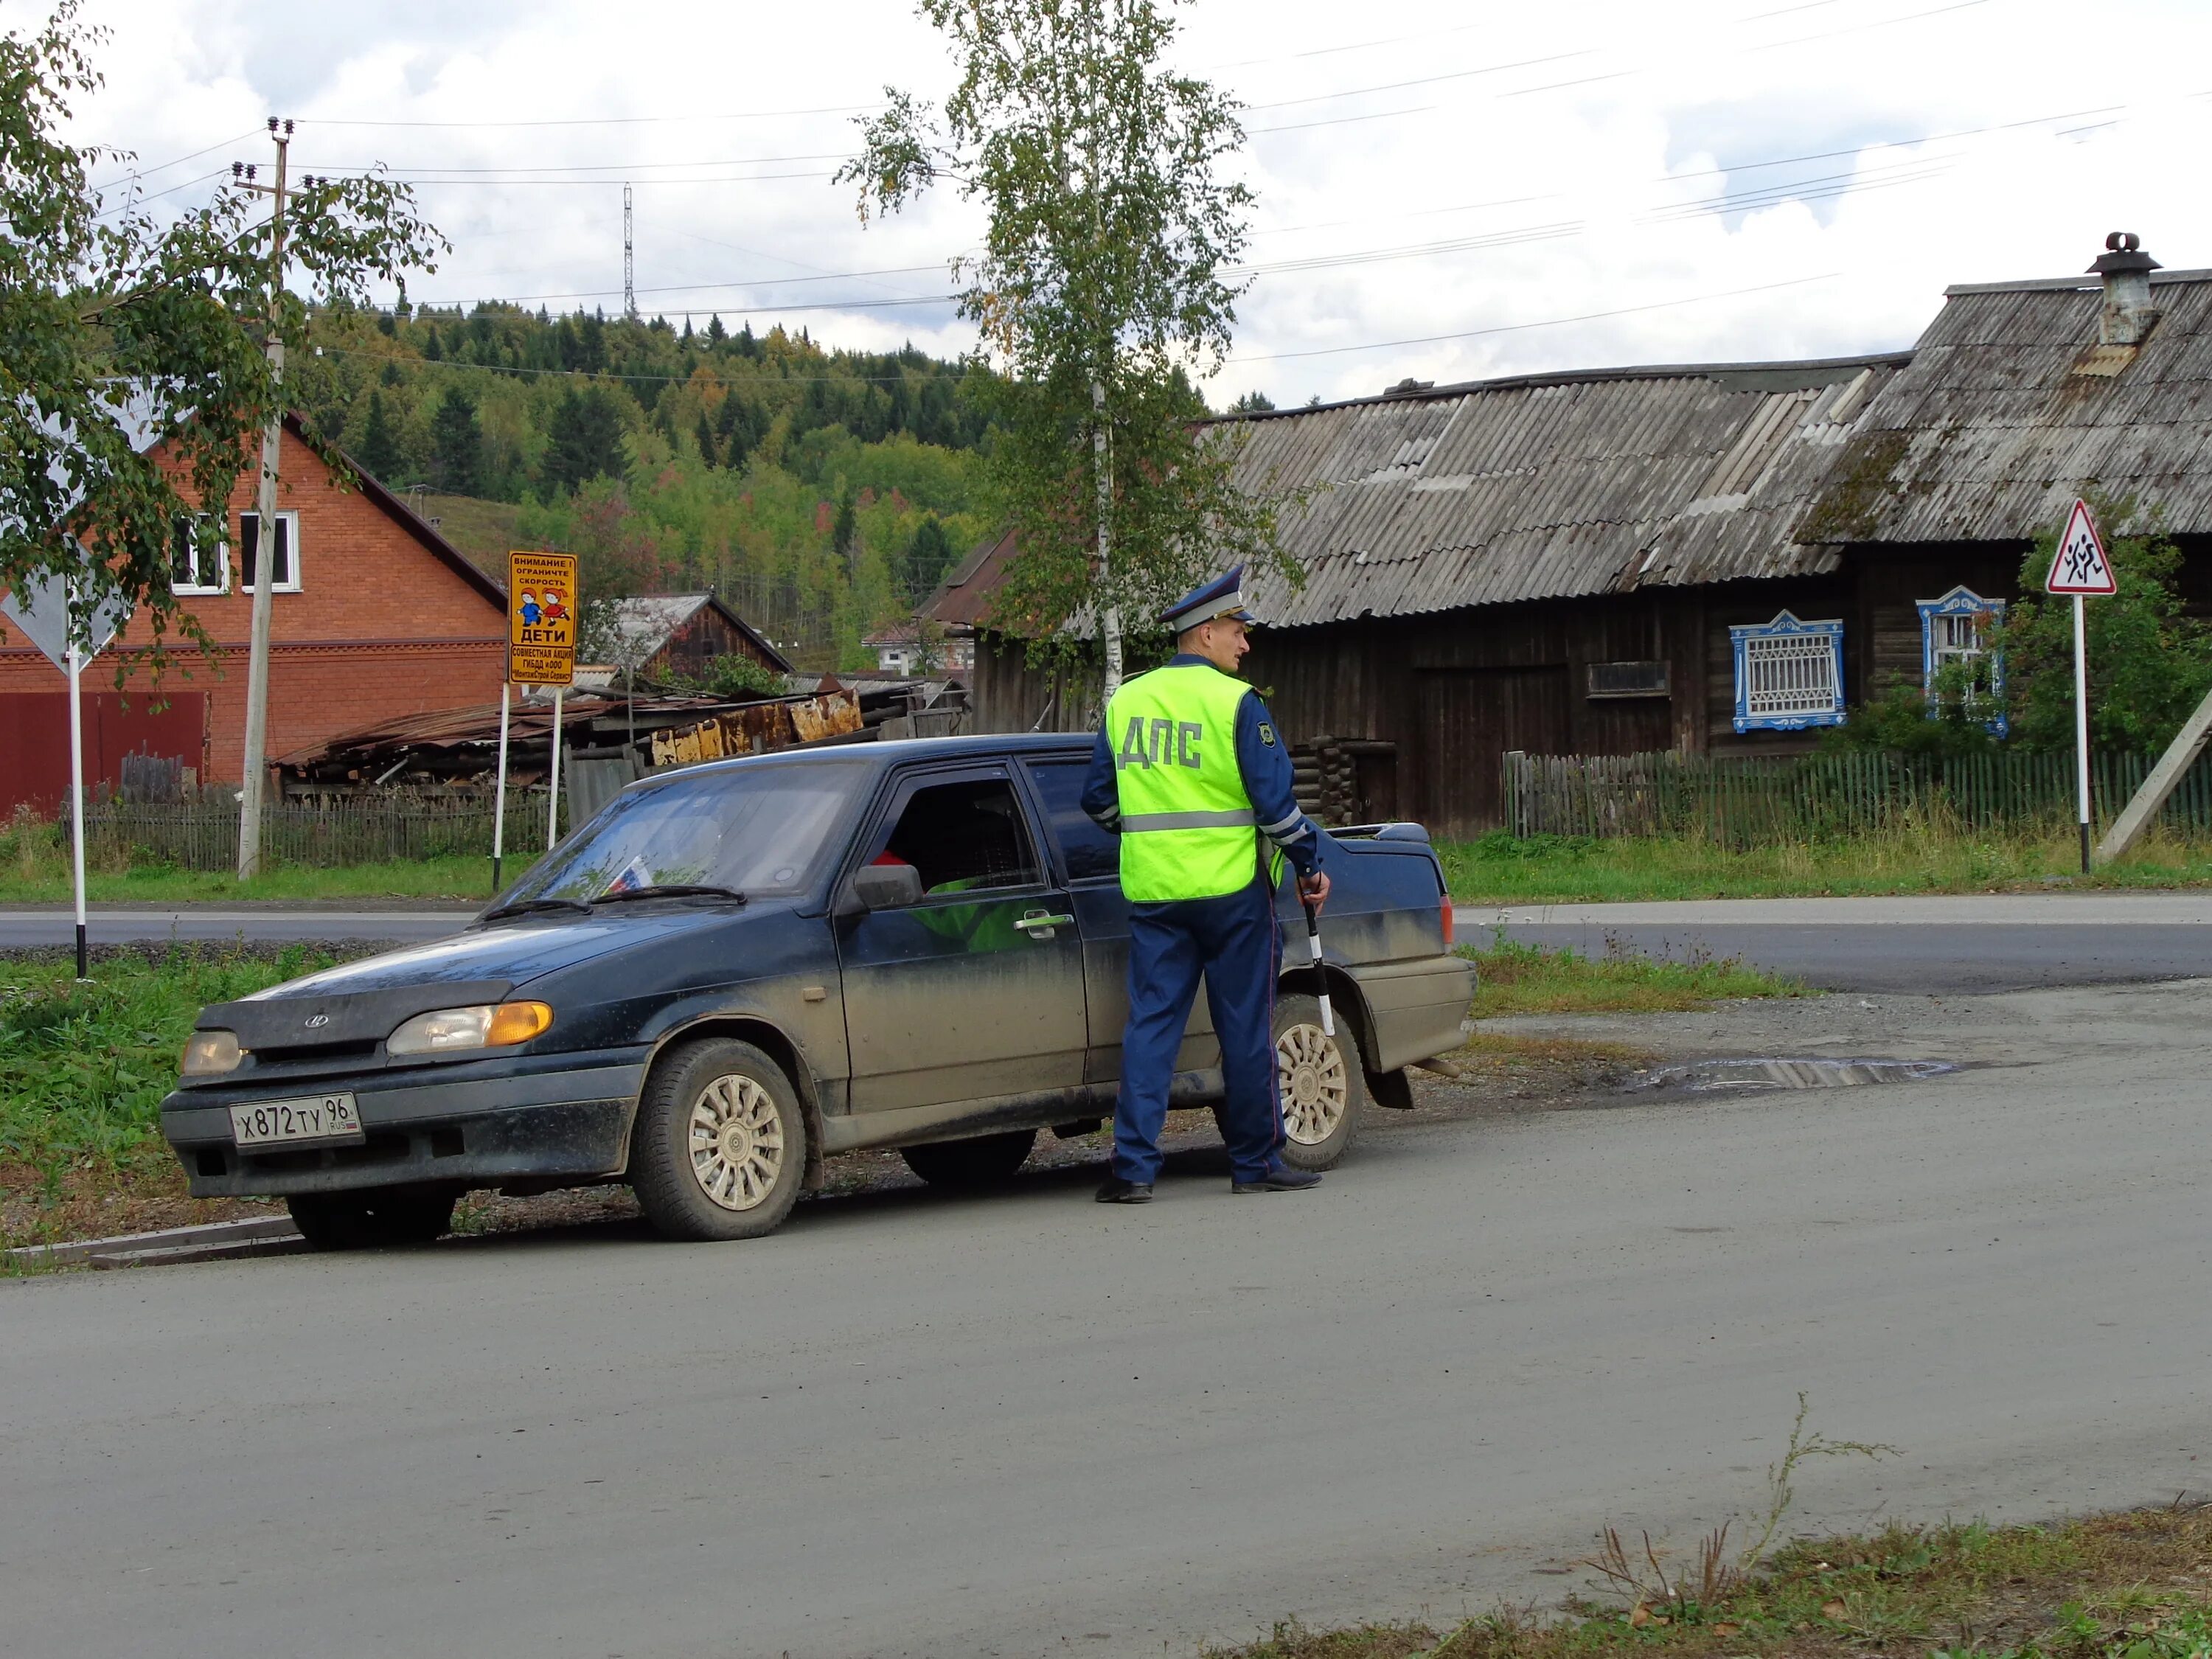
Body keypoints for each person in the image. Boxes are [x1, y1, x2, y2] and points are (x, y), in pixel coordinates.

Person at [1080, 565, 1332, 1203]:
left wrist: (1145, 835)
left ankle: (1133, 1170)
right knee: (1245, 1029)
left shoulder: (1127, 701)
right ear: (1205, 634)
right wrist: (1309, 863)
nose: (1245, 644)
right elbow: (1277, 810)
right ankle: (1254, 1163)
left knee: (1150, 1030)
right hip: (1231, 898)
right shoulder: (1236, 705)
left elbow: (1099, 802)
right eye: (1237, 631)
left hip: (1157, 895)